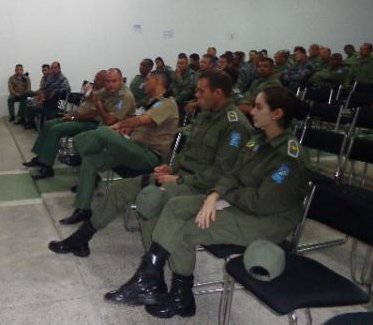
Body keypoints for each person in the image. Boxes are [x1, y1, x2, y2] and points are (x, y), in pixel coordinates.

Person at [106, 87, 308, 319]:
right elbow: (232, 173)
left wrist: (223, 197)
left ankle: (179, 295)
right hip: (239, 202)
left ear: (277, 114)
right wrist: (214, 195)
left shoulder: (288, 156)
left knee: (182, 230)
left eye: (259, 107)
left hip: (265, 220)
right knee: (172, 207)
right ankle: (152, 278)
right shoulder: (258, 141)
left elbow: (261, 202)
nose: (251, 111)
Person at [48, 70, 252, 255]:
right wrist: (171, 168)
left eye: (201, 91)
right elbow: (187, 152)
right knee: (118, 190)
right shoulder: (205, 115)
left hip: (196, 186)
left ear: (217, 93)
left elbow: (222, 172)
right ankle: (81, 238)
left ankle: (152, 267)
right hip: (174, 174)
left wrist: (177, 178)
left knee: (148, 198)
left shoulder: (234, 125)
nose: (196, 95)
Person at [57, 71, 179, 225]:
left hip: (149, 156)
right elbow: (146, 126)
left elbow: (144, 119)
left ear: (157, 82)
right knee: (90, 160)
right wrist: (128, 130)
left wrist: (121, 124)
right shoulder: (151, 101)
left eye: (148, 80)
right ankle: (82, 209)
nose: (144, 83)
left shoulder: (166, 103)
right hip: (133, 148)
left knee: (103, 131)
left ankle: (77, 149)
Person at [25, 69, 136, 180]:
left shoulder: (124, 96)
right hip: (81, 118)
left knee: (55, 130)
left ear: (121, 81)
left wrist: (73, 117)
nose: (95, 81)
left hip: (92, 123)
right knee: (48, 124)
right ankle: (40, 158)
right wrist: (87, 92)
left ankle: (47, 166)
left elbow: (96, 116)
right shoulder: (106, 91)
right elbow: (91, 97)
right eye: (107, 81)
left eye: (112, 81)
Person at [23, 62, 70, 129]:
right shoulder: (50, 78)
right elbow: (44, 88)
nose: (53, 69)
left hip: (58, 103)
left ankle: (43, 124)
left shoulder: (63, 79)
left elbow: (66, 90)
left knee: (46, 108)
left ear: (59, 69)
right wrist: (41, 96)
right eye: (52, 68)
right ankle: (33, 122)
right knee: (30, 104)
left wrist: (54, 92)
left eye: (55, 68)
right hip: (47, 101)